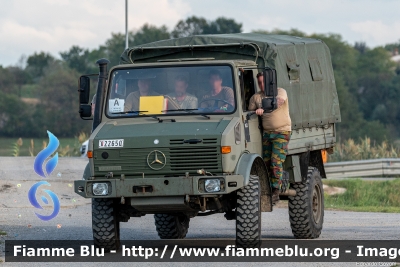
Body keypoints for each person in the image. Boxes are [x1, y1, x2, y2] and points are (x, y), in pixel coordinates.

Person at [248, 72, 291, 204]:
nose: (261, 85)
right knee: (265, 162)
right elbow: (249, 113)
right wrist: (255, 111)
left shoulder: (280, 92)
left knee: (275, 161)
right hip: (267, 133)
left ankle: (275, 192)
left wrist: (262, 108)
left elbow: (278, 102)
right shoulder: (256, 97)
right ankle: (266, 190)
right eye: (259, 82)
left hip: (281, 132)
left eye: (263, 82)